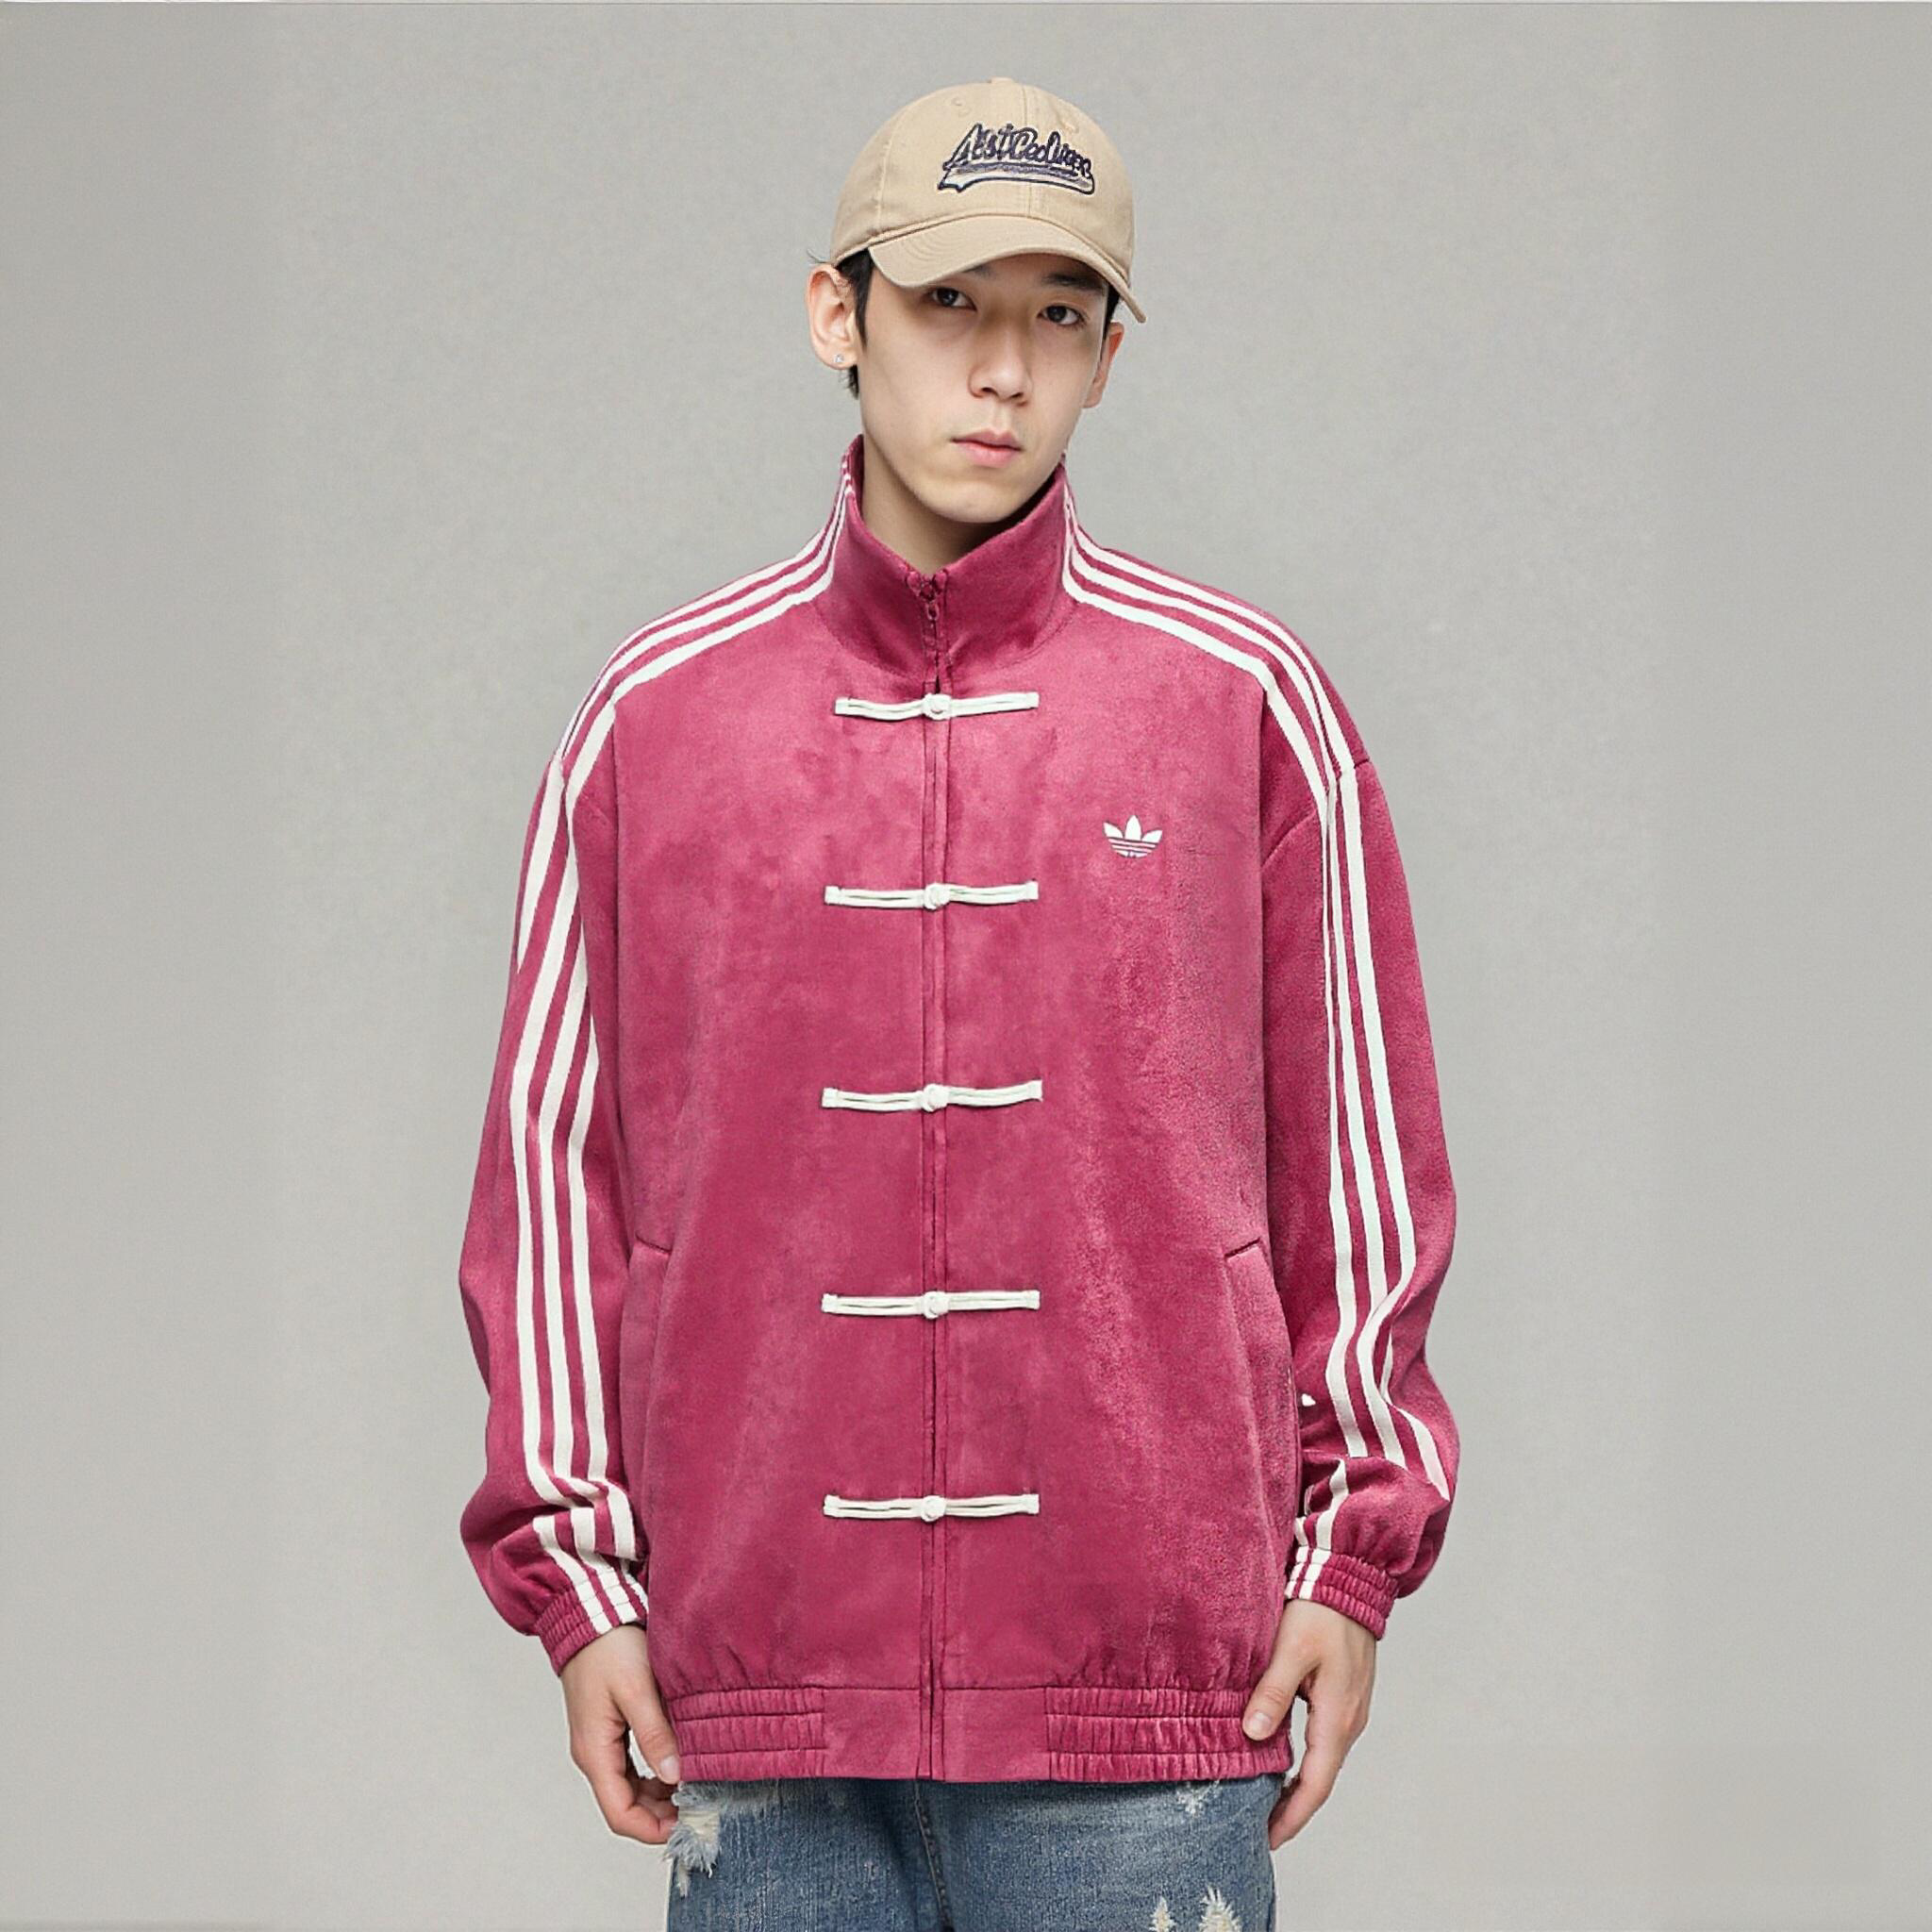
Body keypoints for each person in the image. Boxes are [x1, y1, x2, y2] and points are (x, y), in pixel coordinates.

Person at [455, 75, 1460, 1932]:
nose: (1002, 371)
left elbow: (1360, 1167)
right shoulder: (653, 720)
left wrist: (1350, 1560)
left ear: (1107, 354)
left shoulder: (1242, 702)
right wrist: (580, 1589)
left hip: (1146, 1699)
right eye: (947, 304)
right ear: (834, 314)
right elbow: (551, 1183)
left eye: (1058, 314)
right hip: (762, 1695)